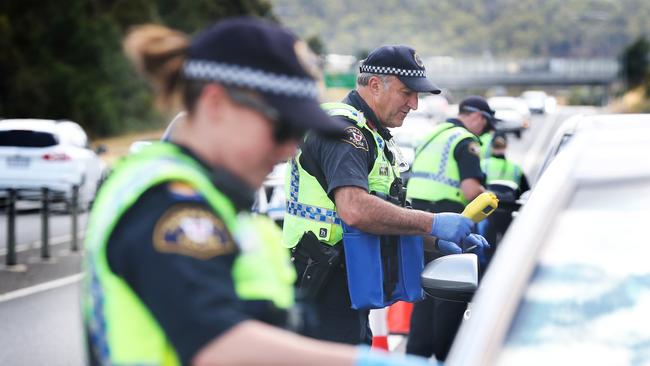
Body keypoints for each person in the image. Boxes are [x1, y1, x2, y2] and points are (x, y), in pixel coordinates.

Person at [82, 17, 432, 366]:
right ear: (216, 104)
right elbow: (217, 345)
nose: (288, 149)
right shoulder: (169, 204)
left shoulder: (219, 200)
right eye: (282, 128)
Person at [281, 44, 487, 345]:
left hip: (345, 286)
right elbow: (355, 210)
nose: (415, 104)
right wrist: (431, 223)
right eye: (407, 92)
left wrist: (436, 241)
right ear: (375, 85)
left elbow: (383, 213)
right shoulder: (344, 132)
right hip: (323, 288)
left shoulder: (371, 133)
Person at [405, 95, 497, 361]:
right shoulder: (465, 141)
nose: (484, 132)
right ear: (479, 117)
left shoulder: (433, 135)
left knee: (424, 293)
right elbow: (470, 190)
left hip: (417, 225)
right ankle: (450, 356)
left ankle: (416, 356)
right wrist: (489, 197)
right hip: (448, 227)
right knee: (452, 295)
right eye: (486, 126)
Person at [480, 133, 530, 246]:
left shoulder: (483, 165)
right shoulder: (516, 168)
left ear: (491, 147)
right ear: (506, 147)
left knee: (484, 243)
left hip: (487, 211)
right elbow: (525, 191)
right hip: (508, 212)